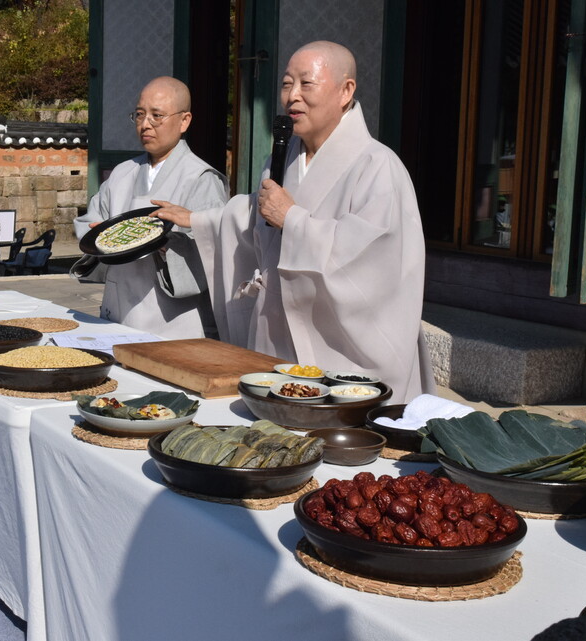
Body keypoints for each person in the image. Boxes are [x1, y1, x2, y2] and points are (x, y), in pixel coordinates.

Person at [154, 41, 435, 403]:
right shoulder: (283, 158)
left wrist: (294, 219)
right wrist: (198, 219)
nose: (292, 96)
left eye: (307, 84)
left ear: (346, 91)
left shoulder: (379, 166)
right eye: (287, 84)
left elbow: (374, 259)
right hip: (277, 328)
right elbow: (258, 210)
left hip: (339, 346)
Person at [74, 76, 228, 338]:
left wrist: (166, 244)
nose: (145, 124)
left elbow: (213, 249)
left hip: (174, 319)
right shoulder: (122, 173)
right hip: (120, 305)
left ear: (184, 121)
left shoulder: (201, 178)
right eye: (139, 115)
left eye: (157, 116)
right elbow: (91, 220)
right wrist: (99, 236)